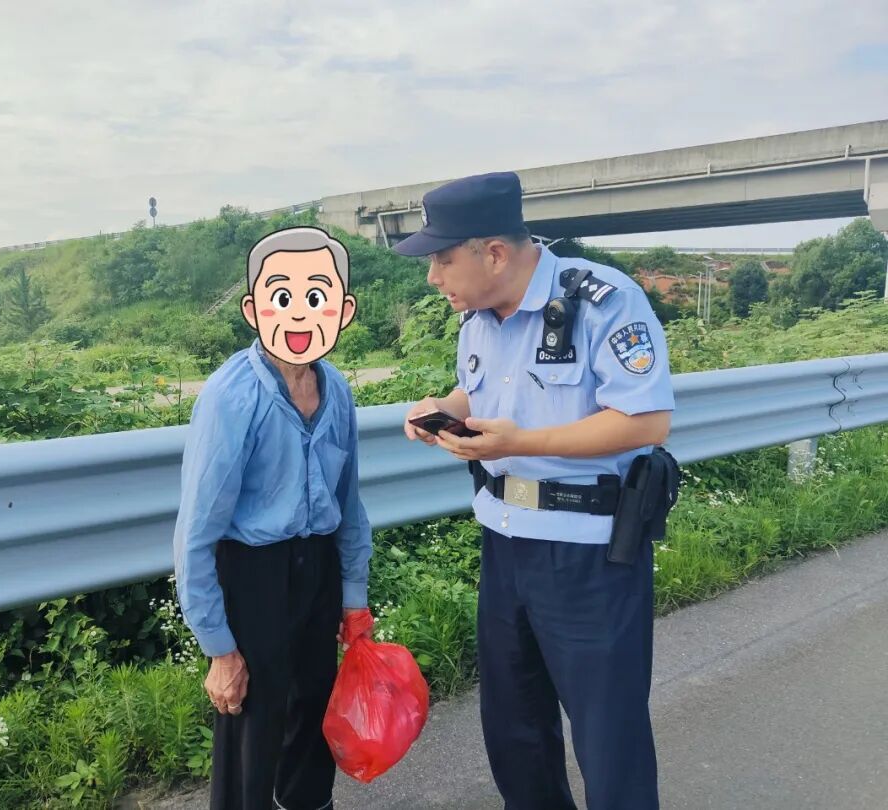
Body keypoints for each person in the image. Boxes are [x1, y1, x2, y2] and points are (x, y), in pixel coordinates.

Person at [395, 172, 675, 810]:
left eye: (442, 260)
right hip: (504, 542)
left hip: (590, 554)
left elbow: (645, 421)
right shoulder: (476, 319)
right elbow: (481, 391)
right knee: (514, 731)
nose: (433, 278)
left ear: (493, 253)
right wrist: (444, 409)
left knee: (609, 737)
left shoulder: (603, 301)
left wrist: (522, 442)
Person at [173, 226, 373, 810]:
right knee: (253, 722)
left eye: (317, 297)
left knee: (314, 712)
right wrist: (219, 649)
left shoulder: (336, 390)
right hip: (254, 572)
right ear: (252, 309)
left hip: (318, 568)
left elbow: (349, 504)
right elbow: (197, 533)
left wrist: (353, 598)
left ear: (343, 311)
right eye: (282, 297)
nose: (299, 314)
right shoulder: (231, 396)